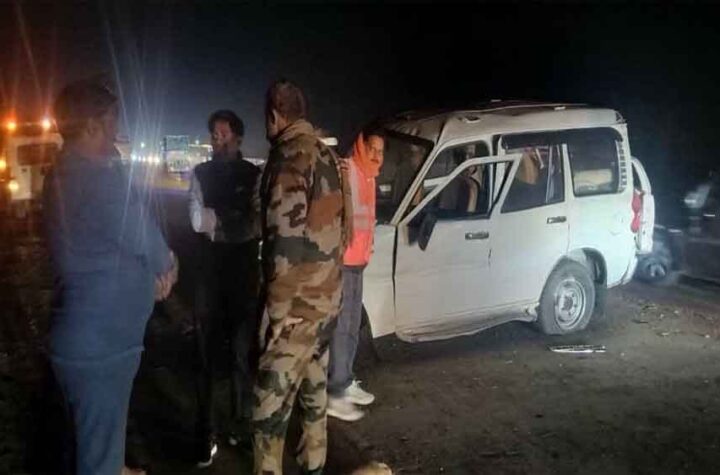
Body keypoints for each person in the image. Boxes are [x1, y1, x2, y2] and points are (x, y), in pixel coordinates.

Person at [43, 79, 177, 475]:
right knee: (96, 453)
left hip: (90, 341)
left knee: (98, 442)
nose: (118, 130)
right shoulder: (96, 180)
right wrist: (166, 267)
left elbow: (106, 246)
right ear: (91, 126)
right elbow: (147, 240)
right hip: (99, 347)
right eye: (112, 120)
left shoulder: (66, 174)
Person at [252, 79, 347, 475]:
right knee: (314, 402)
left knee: (267, 413)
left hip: (295, 312)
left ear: (275, 116)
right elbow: (343, 232)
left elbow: (284, 246)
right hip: (326, 306)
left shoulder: (289, 157)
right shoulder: (328, 155)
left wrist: (276, 317)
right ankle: (313, 467)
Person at [188, 110, 261, 467]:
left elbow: (257, 222)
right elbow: (195, 219)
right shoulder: (200, 172)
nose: (216, 138)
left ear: (238, 137)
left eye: (223, 132)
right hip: (209, 278)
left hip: (243, 277)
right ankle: (207, 433)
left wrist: (217, 222)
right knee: (206, 358)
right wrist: (233, 222)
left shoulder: (254, 175)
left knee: (241, 357)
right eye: (213, 132)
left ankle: (240, 426)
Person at [327, 127, 385, 422]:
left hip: (357, 262)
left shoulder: (369, 175)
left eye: (380, 151)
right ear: (361, 145)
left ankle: (345, 380)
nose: (376, 154)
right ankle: (335, 393)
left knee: (350, 326)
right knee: (342, 327)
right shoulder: (347, 170)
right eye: (372, 148)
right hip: (343, 262)